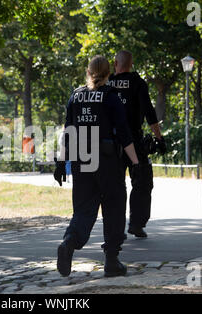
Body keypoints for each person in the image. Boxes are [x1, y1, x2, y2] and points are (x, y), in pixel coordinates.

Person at [54, 55, 140, 278]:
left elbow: (68, 132)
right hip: (107, 161)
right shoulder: (111, 97)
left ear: (88, 71)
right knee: (114, 206)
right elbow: (123, 133)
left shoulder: (76, 96)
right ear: (108, 72)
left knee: (83, 209)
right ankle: (111, 261)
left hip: (82, 161)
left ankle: (69, 242)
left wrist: (61, 162)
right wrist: (136, 163)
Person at [108, 51, 167, 238]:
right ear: (131, 64)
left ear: (115, 63)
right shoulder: (138, 83)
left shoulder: (105, 83)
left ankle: (115, 227)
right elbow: (150, 114)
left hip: (111, 143)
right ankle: (136, 223)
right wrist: (159, 138)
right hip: (134, 141)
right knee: (142, 182)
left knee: (114, 185)